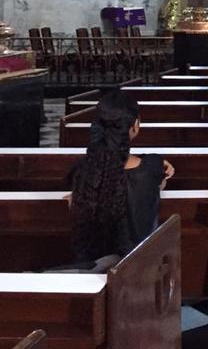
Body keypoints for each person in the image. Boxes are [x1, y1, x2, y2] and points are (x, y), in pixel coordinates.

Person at [67, 90, 175, 266]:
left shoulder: (81, 170)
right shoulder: (151, 167)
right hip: (138, 267)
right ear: (135, 125)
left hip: (91, 266)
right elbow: (152, 178)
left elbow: (113, 165)